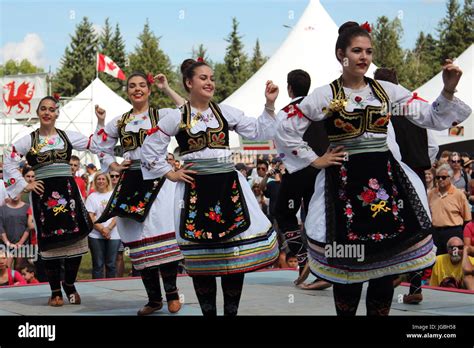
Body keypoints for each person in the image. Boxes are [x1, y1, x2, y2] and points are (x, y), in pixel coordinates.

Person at [275, 21, 471, 316]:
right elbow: (285, 127)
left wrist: (448, 88)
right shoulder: (325, 96)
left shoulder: (388, 92)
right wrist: (314, 159)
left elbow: (430, 116)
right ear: (340, 54)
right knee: (348, 263)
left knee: (385, 266)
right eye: (356, 51)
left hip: (386, 183)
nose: (363, 57)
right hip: (343, 185)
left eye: (368, 51)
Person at [140, 59, 280, 316]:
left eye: (211, 78)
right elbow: (149, 149)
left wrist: (269, 103)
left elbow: (261, 130)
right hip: (194, 189)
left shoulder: (225, 112)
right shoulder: (176, 117)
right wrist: (170, 173)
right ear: (188, 83)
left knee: (232, 255)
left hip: (227, 187)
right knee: (202, 256)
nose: (210, 82)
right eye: (203, 78)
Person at [93, 72, 185, 315]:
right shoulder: (119, 122)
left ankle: (173, 294)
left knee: (163, 236)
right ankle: (154, 299)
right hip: (131, 181)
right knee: (138, 241)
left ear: (149, 90)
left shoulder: (161, 114)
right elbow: (99, 144)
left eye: (142, 86)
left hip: (159, 180)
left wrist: (166, 88)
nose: (137, 89)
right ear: (127, 91)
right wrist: (111, 164)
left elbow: (188, 111)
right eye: (132, 86)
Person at [3, 95, 104, 306]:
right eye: (43, 109)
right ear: (38, 113)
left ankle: (69, 284)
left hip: (69, 195)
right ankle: (55, 290)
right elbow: (9, 158)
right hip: (43, 197)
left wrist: (101, 121)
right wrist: (24, 185)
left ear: (57, 113)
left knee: (76, 238)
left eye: (51, 109)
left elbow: (94, 144)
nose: (47, 112)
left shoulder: (67, 137)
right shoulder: (28, 140)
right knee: (50, 244)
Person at [273, 69, 330, 286]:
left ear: (289, 88)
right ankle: (323, 267)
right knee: (317, 217)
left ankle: (303, 255)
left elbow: (282, 139)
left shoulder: (287, 112)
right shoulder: (322, 109)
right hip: (323, 170)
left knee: (283, 212)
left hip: (299, 170)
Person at [428, 163, 472, 255]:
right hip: (435, 233)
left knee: (455, 259)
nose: (440, 179)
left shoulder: (458, 194)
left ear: (450, 178)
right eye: (438, 177)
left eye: (443, 177)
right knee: (437, 260)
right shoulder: (431, 194)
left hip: (454, 232)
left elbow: (467, 218)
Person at [85, 172, 121, 279]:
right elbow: (90, 216)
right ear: (95, 182)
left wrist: (109, 228)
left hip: (113, 234)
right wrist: (102, 229)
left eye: (103, 179)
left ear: (107, 181)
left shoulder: (114, 195)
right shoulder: (92, 197)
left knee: (111, 264)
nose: (101, 181)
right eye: (98, 179)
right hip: (96, 235)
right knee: (98, 265)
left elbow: (118, 215)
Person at [0, 193, 30, 270]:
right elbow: (0, 227)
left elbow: (29, 226)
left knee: (20, 268)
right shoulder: (2, 209)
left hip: (23, 245)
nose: (15, 194)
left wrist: (20, 242)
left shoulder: (28, 207)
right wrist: (7, 243)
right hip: (5, 245)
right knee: (6, 269)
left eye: (17, 191)